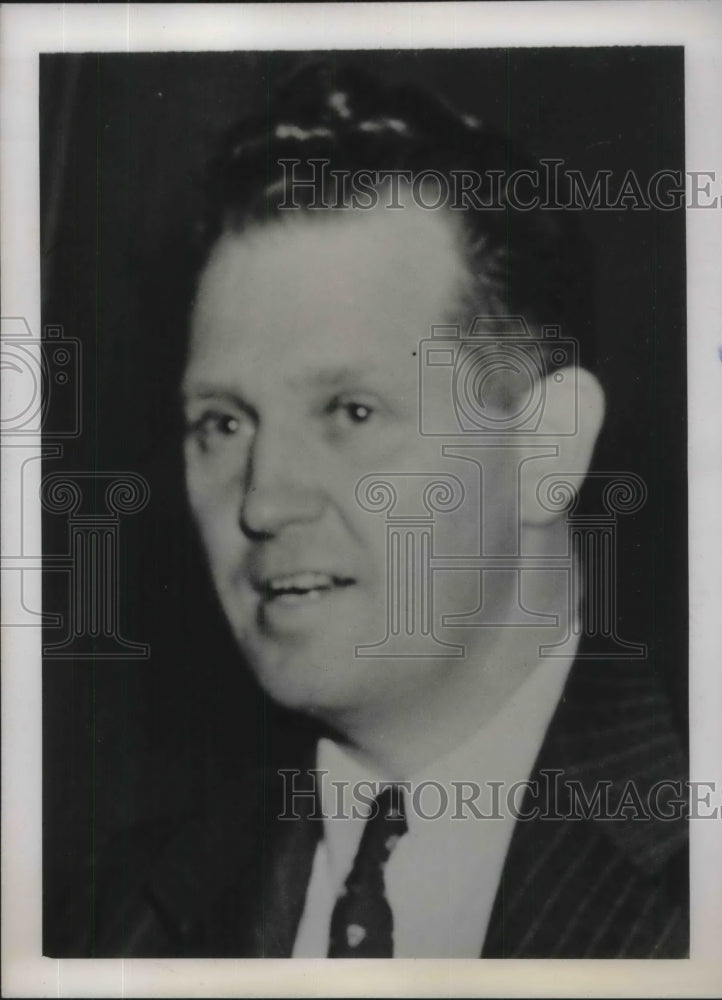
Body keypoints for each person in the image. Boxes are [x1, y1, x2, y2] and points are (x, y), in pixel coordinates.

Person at [81, 61, 688, 959]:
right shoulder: (105, 917)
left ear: (547, 445)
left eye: (351, 412)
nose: (262, 500)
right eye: (222, 422)